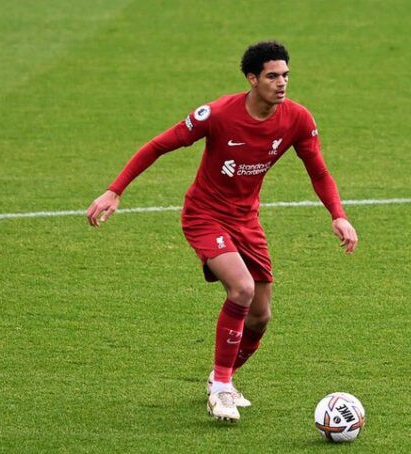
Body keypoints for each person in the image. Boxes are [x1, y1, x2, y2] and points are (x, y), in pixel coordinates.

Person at [86, 41, 358, 423]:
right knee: (242, 289)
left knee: (261, 317)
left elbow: (318, 170)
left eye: (285, 75)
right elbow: (158, 145)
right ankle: (221, 390)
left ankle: (220, 376)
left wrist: (338, 214)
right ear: (252, 79)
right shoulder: (216, 114)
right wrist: (115, 190)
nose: (281, 83)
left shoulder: (296, 118)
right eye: (272, 76)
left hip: (247, 220)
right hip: (204, 215)